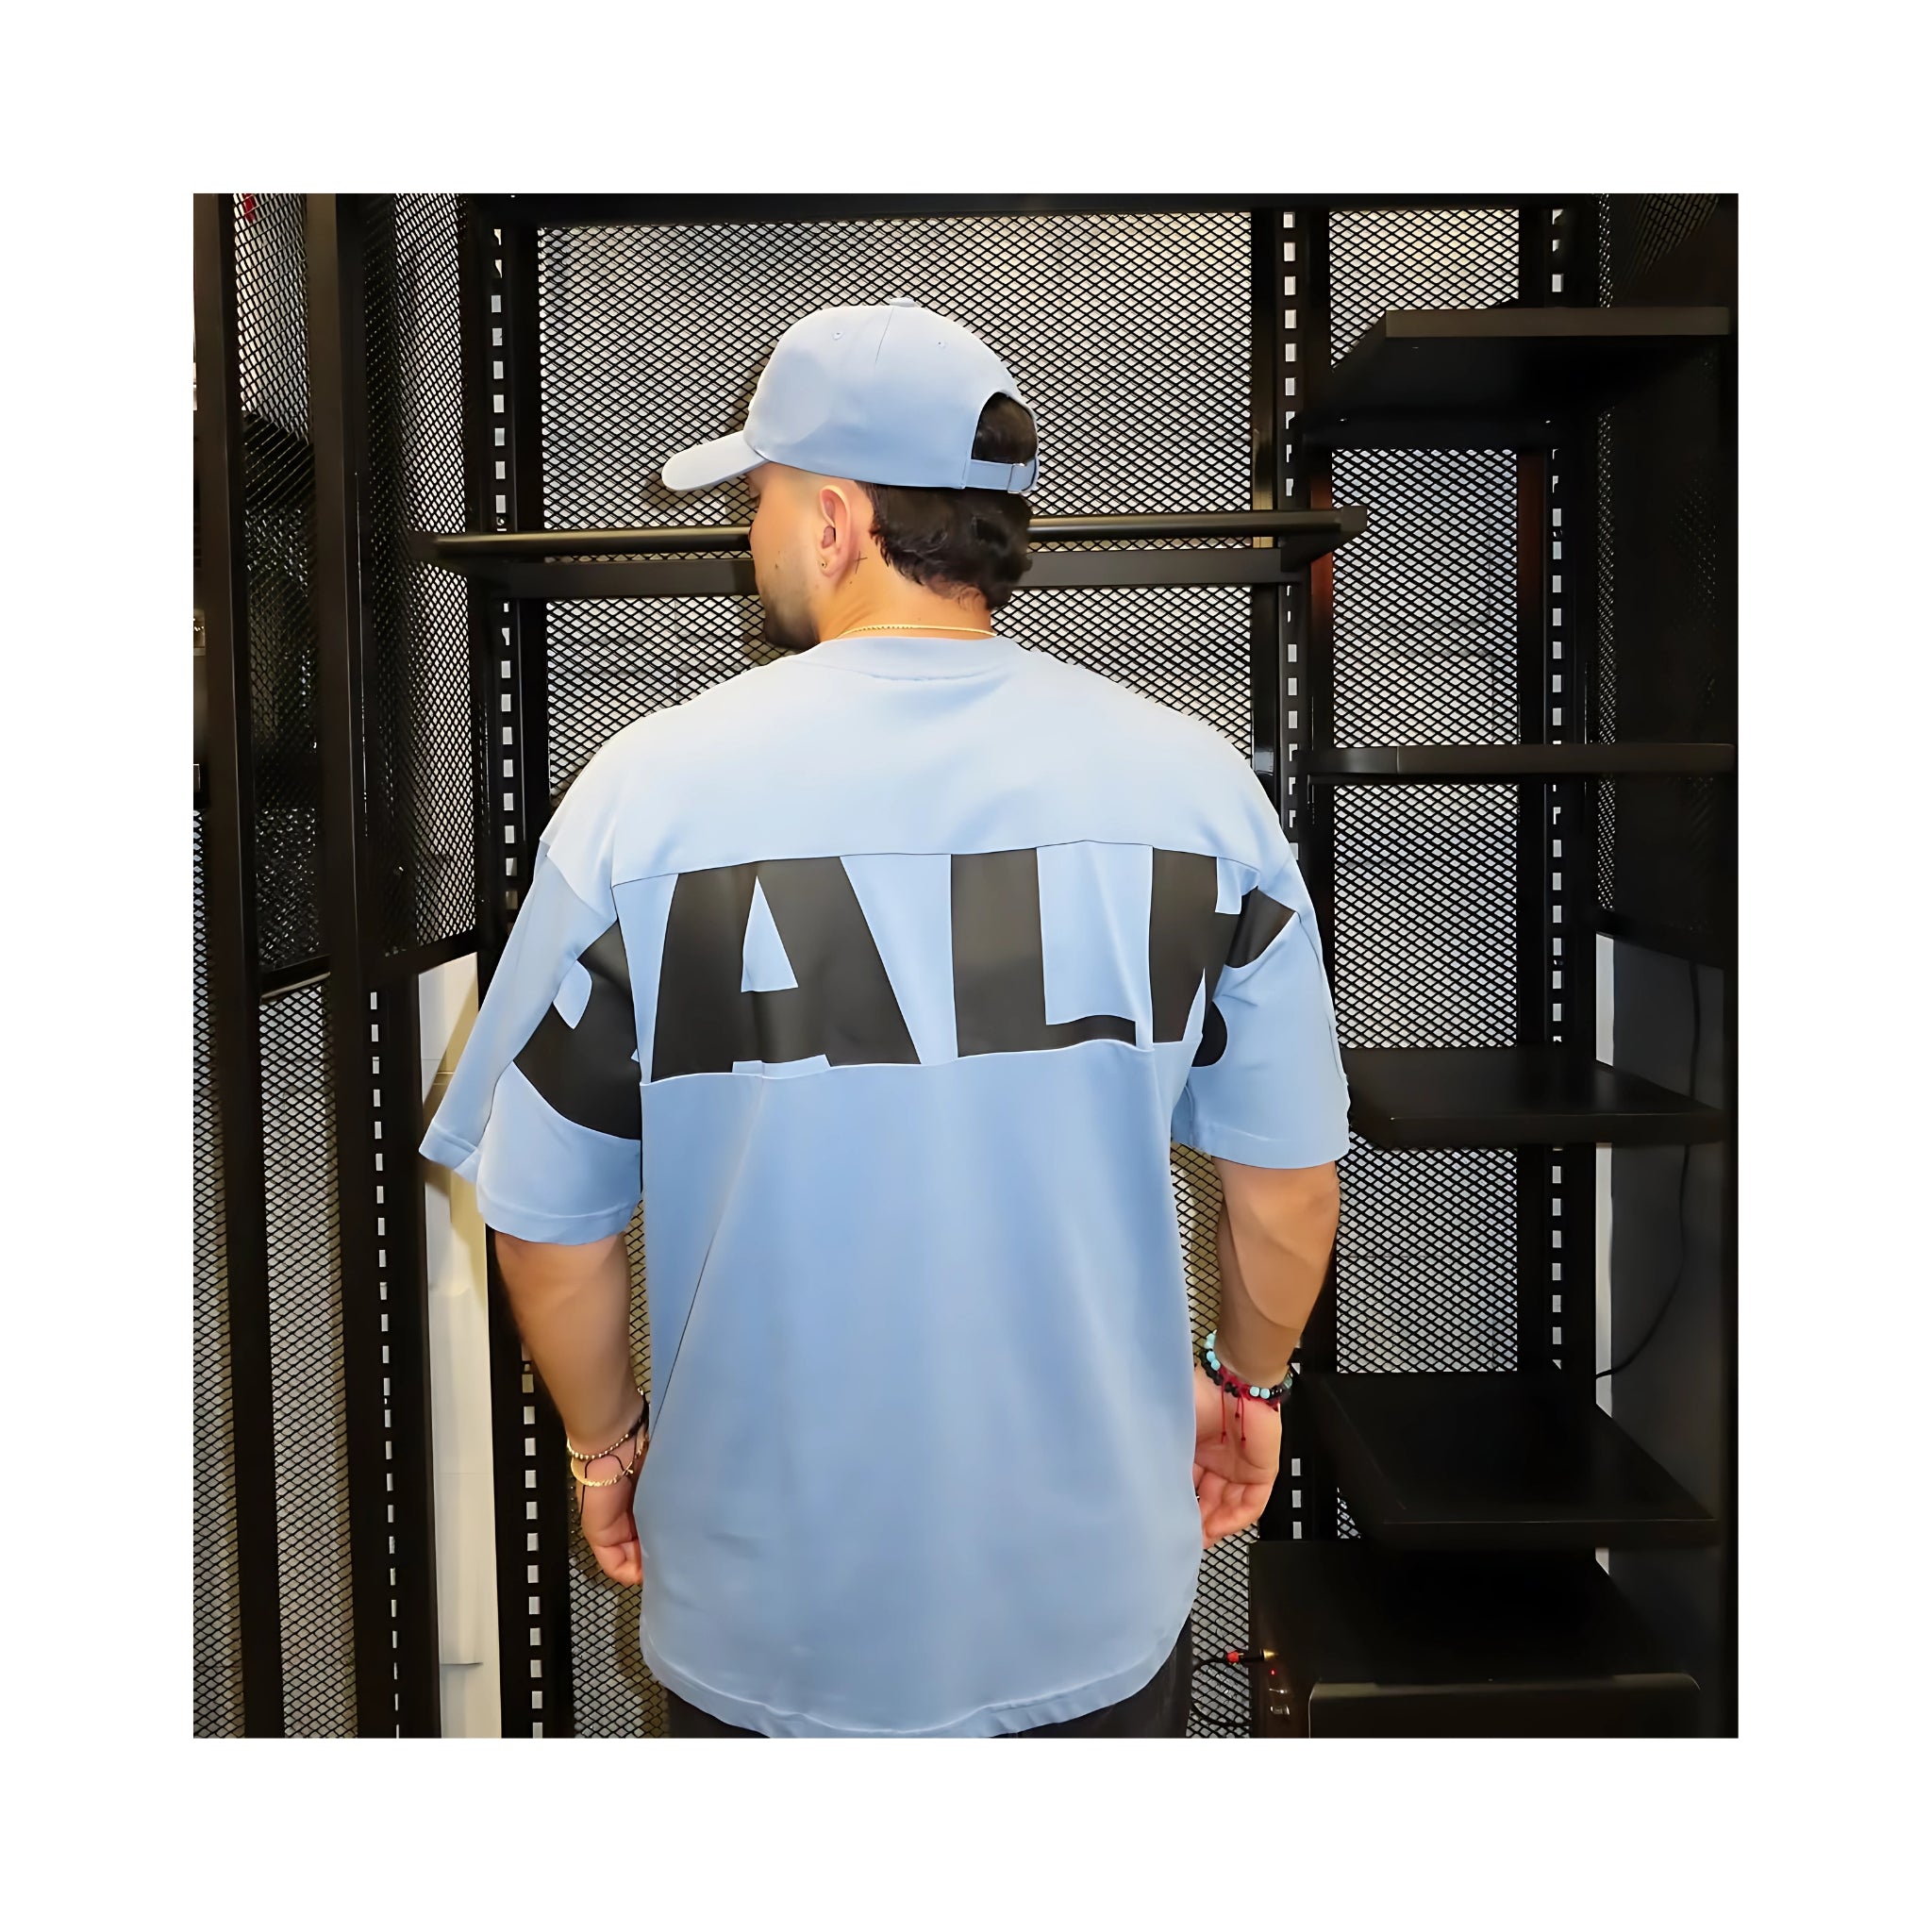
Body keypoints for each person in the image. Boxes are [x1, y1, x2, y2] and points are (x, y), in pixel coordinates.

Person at [420, 297, 1349, 1738]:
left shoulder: (641, 800)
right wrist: (1248, 1383)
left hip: (766, 1610)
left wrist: (608, 1450)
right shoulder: (1196, 788)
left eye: (762, 498)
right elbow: (1286, 1189)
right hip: (1089, 1595)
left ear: (837, 520)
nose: (753, 535)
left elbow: (548, 1229)